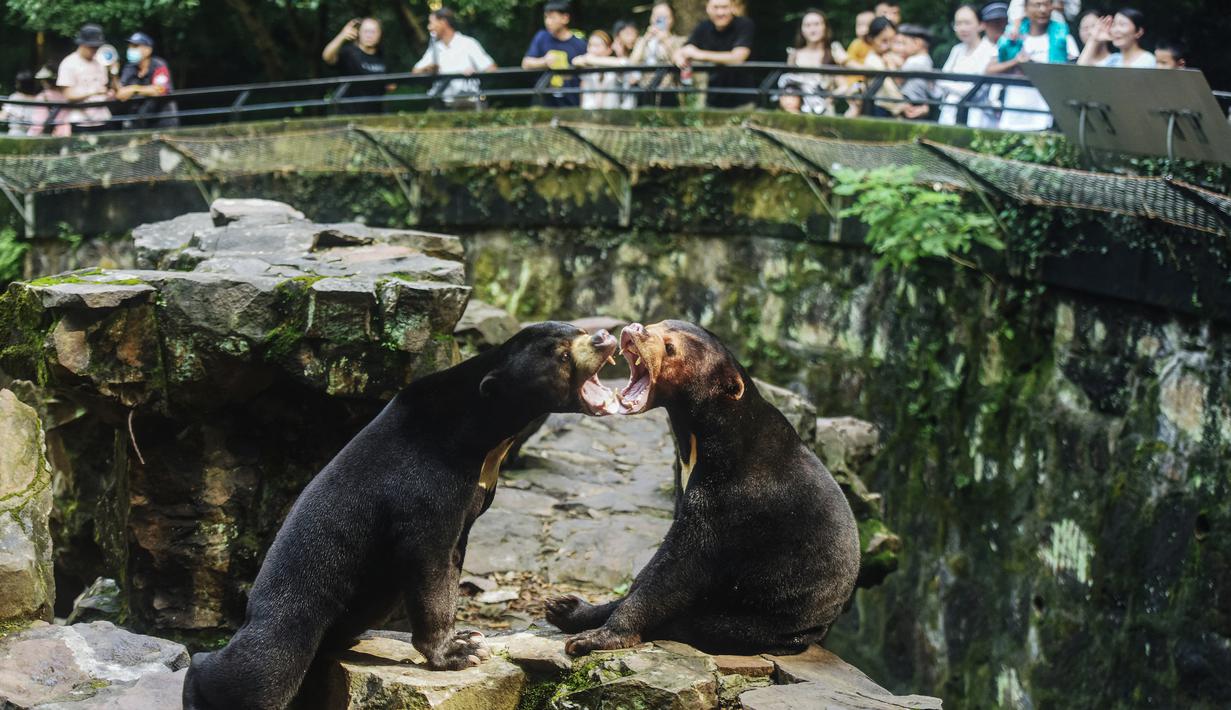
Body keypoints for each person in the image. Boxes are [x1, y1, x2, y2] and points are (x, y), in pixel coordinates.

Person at [987, 0, 1077, 131]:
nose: (1043, 10)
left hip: (1047, 118)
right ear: (1025, 8)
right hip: (1012, 115)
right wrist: (1016, 61)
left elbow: (1074, 74)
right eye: (1037, 4)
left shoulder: (1064, 38)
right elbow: (989, 70)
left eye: (1047, 4)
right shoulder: (1012, 38)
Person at [673, 0, 755, 109]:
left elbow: (738, 57)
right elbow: (684, 49)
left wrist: (699, 54)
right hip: (713, 99)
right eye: (716, 7)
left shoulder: (744, 25)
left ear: (732, 8)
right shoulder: (704, 27)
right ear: (708, 8)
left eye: (724, 7)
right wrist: (679, 57)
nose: (720, 12)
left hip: (742, 100)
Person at [412, 7, 497, 108]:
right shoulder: (435, 48)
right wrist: (427, 68)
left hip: (469, 104)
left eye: (432, 23)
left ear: (443, 22)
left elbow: (492, 68)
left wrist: (475, 73)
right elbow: (415, 71)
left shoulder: (467, 43)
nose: (429, 27)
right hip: (444, 106)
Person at [937, 5, 997, 126]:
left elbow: (976, 89)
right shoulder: (957, 50)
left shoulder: (991, 51)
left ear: (981, 25)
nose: (963, 28)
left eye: (967, 23)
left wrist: (949, 85)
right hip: (950, 112)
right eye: (958, 23)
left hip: (977, 116)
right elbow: (941, 80)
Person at [522, 1, 588, 107]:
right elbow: (526, 63)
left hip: (571, 102)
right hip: (545, 102)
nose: (548, 22)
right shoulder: (541, 37)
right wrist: (544, 61)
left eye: (552, 17)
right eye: (546, 17)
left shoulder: (579, 44)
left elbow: (586, 76)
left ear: (565, 18)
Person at [778, 9, 841, 115]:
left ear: (825, 27)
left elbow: (843, 85)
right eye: (807, 25)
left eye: (817, 24)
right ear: (802, 30)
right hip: (798, 111)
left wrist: (831, 97)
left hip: (824, 110)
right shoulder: (794, 54)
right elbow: (790, 85)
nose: (812, 29)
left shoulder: (833, 52)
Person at [322, 17, 389, 114]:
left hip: (376, 114)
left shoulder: (382, 55)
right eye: (366, 31)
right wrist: (342, 36)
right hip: (349, 114)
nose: (369, 35)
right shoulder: (349, 53)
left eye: (373, 31)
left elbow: (388, 85)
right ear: (359, 33)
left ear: (380, 34)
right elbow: (327, 57)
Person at [57, 24, 113, 133]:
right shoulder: (69, 63)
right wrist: (93, 92)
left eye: (97, 47)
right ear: (82, 44)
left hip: (103, 118)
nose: (95, 50)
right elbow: (68, 94)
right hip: (80, 120)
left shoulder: (100, 62)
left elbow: (104, 87)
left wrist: (107, 94)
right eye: (92, 47)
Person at [629, 2, 687, 107]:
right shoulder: (643, 40)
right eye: (656, 16)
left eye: (664, 17)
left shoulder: (679, 41)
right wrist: (645, 39)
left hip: (669, 91)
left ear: (672, 19)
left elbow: (679, 60)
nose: (659, 20)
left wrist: (665, 40)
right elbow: (633, 62)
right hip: (645, 90)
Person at [116, 32, 178, 128]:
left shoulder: (159, 65)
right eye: (130, 46)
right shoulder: (129, 68)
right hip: (140, 123)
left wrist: (135, 89)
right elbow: (120, 94)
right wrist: (113, 73)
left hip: (162, 121)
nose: (130, 49)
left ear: (148, 50)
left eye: (135, 46)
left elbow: (160, 90)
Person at [1077, 8, 1155, 68]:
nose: (1116, 30)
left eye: (1122, 24)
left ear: (1138, 32)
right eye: (1114, 25)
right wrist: (1094, 39)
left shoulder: (1148, 60)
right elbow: (1079, 72)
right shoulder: (1113, 61)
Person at [894, 24, 937, 120]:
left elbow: (898, 78)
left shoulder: (918, 61)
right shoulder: (922, 59)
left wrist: (894, 64)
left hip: (913, 103)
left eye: (905, 43)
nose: (903, 48)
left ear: (917, 43)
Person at [575, 31, 623, 109]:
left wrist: (590, 60)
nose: (592, 49)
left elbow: (623, 63)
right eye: (590, 45)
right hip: (589, 111)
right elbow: (575, 61)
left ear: (609, 49)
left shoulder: (614, 64)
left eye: (596, 46)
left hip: (612, 112)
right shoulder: (585, 64)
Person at [27, 66, 71, 137]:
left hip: (49, 135)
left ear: (45, 81)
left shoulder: (43, 97)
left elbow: (39, 121)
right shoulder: (68, 95)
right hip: (66, 133)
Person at [1, 71, 39, 136]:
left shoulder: (15, 97)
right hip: (35, 133)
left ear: (19, 84)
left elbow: (3, 117)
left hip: (17, 132)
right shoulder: (39, 98)